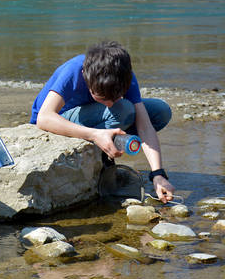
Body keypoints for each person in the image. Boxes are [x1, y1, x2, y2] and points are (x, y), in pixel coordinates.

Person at [30, 41, 175, 203]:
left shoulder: (123, 74)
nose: (110, 103)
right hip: (61, 118)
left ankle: (107, 144)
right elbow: (43, 118)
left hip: (98, 116)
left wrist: (158, 174)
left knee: (160, 111)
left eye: (115, 97)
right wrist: (95, 135)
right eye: (102, 98)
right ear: (86, 77)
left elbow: (145, 126)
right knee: (122, 110)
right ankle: (103, 163)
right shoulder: (75, 70)